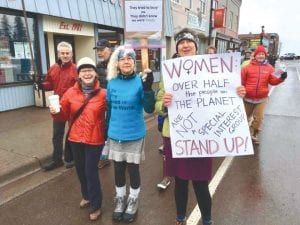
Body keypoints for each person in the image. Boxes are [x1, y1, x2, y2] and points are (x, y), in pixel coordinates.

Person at [155, 28, 246, 225]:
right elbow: (158, 105)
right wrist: (163, 104)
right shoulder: (169, 72)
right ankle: (180, 218)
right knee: (179, 182)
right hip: (177, 136)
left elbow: (225, 94)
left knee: (200, 183)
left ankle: (207, 220)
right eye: (181, 43)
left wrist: (237, 92)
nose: (185, 45)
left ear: (196, 47)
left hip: (201, 137)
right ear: (177, 48)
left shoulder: (213, 70)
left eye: (189, 42)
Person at [49, 57, 106, 221]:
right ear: (79, 74)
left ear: (95, 74)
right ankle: (86, 196)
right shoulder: (70, 93)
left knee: (90, 171)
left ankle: (96, 205)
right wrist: (55, 111)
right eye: (83, 70)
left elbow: (113, 115)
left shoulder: (103, 94)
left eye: (90, 70)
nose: (87, 73)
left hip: (95, 139)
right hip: (75, 138)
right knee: (80, 170)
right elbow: (63, 115)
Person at [105, 45, 155, 223]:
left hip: (134, 134)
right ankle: (120, 198)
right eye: (122, 58)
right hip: (115, 133)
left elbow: (149, 108)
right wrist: (106, 133)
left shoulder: (141, 81)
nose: (126, 61)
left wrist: (148, 89)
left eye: (130, 58)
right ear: (117, 63)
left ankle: (133, 199)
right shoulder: (111, 83)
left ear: (135, 62)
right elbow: (109, 110)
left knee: (133, 170)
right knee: (118, 169)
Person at [41, 41, 77, 171]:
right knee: (57, 134)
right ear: (58, 54)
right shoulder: (53, 68)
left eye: (67, 53)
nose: (65, 55)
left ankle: (71, 157)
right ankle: (57, 160)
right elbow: (49, 84)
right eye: (63, 53)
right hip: (57, 106)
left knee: (72, 133)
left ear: (71, 54)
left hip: (73, 106)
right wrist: (41, 84)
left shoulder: (76, 69)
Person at [241, 45, 287, 144]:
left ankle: (253, 134)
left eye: (263, 54)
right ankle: (242, 134)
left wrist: (281, 78)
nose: (261, 56)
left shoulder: (270, 68)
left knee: (259, 119)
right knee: (243, 118)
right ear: (255, 55)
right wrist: (241, 92)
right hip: (247, 98)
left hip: (262, 99)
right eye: (259, 54)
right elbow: (242, 82)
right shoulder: (247, 68)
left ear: (265, 56)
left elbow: (273, 81)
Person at [93, 38, 113, 169]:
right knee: (103, 130)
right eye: (98, 50)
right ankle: (104, 157)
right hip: (102, 104)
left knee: (115, 130)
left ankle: (124, 158)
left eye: (102, 50)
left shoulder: (118, 64)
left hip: (116, 105)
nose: (99, 53)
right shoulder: (97, 67)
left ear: (109, 50)